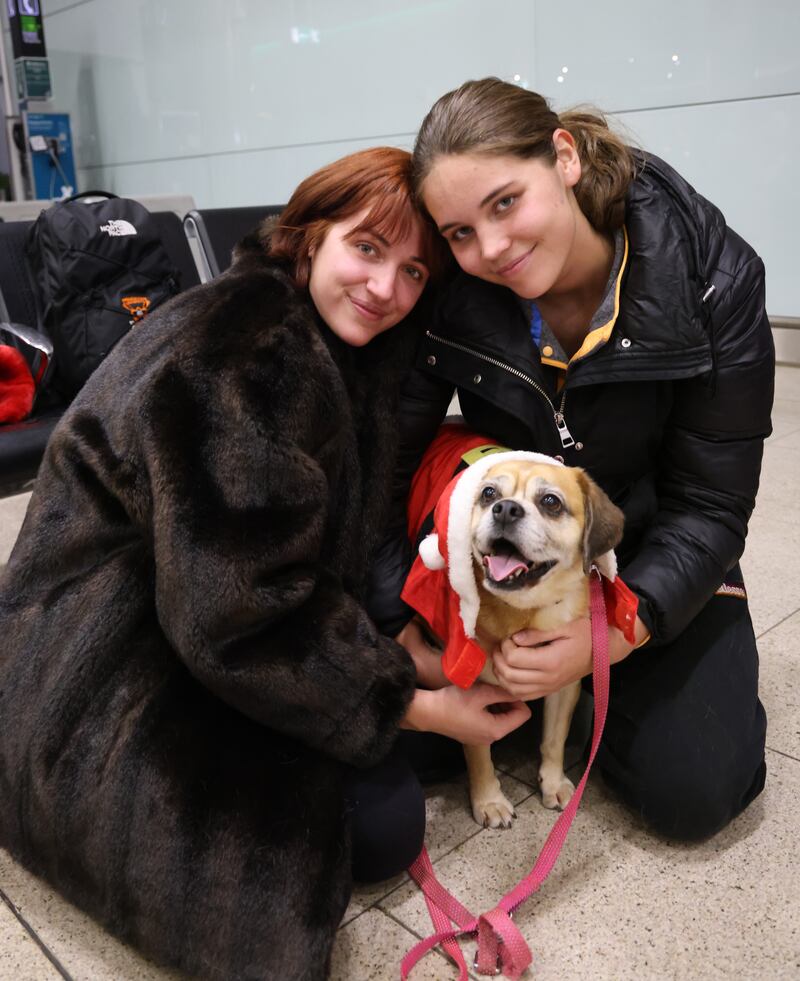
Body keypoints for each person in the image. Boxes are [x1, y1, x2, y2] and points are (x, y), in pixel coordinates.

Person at [0, 146, 530, 981]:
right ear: (309, 236)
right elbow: (238, 609)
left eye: (413, 272)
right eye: (366, 248)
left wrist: (404, 661)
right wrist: (413, 702)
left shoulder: (321, 339)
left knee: (390, 793)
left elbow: (285, 558)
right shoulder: (248, 355)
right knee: (383, 822)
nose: (386, 288)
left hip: (169, 616)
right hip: (89, 672)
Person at [376, 77, 773, 843]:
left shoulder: (714, 277)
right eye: (457, 231)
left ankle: (588, 692)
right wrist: (405, 631)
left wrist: (619, 633)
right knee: (392, 752)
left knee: (695, 787)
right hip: (501, 562)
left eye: (504, 202)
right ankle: (538, 693)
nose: (489, 249)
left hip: (653, 552)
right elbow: (389, 464)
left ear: (562, 155)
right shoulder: (453, 291)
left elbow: (713, 507)